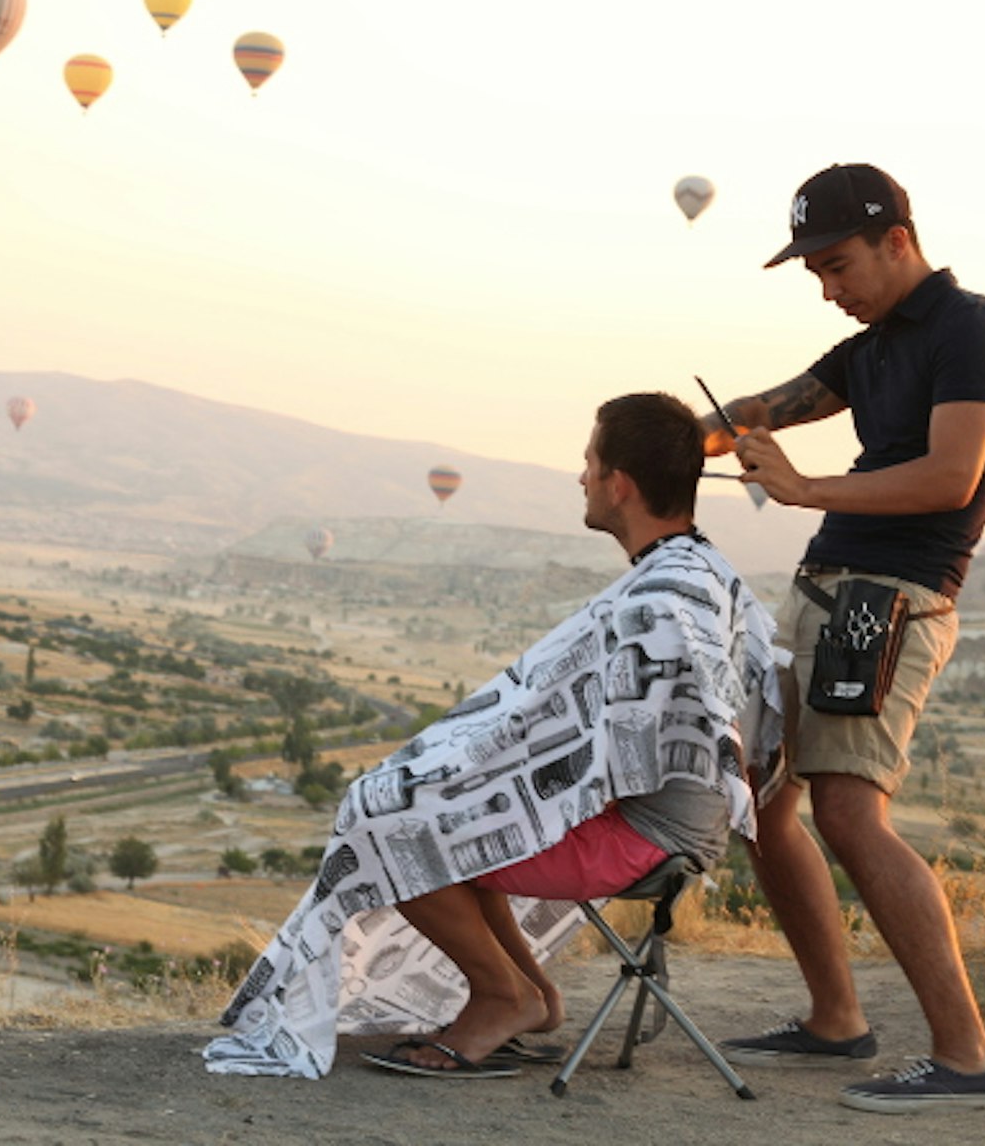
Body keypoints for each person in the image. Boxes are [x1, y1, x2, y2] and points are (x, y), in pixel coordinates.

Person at [203, 393, 780, 1080]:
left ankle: (501, 995)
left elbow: (610, 743)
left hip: (644, 833)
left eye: (589, 463)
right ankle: (530, 993)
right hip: (654, 816)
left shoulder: (662, 599)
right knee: (433, 806)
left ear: (619, 483)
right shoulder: (696, 568)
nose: (582, 478)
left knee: (391, 824)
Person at [706, 164, 985, 1114]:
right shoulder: (873, 343)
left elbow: (950, 478)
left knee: (848, 814)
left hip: (888, 598)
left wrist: (803, 490)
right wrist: (681, 437)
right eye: (813, 274)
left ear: (897, 239)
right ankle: (835, 1019)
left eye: (837, 265)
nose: (828, 290)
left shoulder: (972, 325)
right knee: (767, 803)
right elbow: (772, 405)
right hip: (831, 587)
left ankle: (968, 1059)